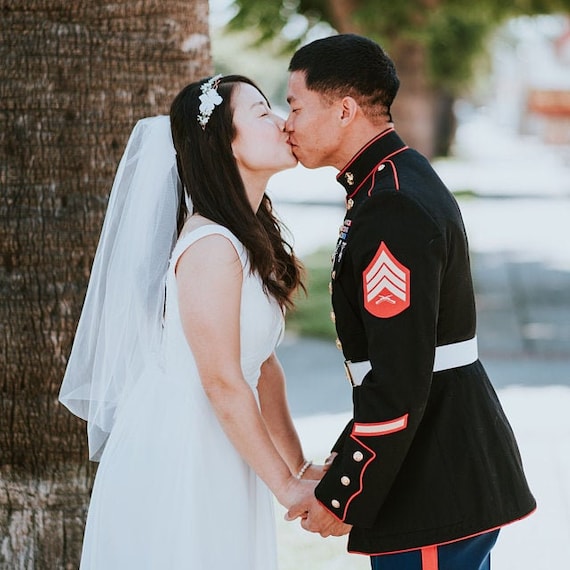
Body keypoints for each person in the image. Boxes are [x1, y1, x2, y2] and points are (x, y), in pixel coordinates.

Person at [284, 34, 536, 569]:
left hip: (430, 473)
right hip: (431, 458)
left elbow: (400, 375)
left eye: (295, 106)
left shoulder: (389, 202)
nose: (289, 123)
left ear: (345, 109)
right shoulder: (389, 179)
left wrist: (343, 493)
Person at [59, 74, 320, 569]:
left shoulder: (245, 237)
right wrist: (285, 487)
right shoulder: (211, 248)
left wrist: (299, 466)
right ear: (225, 143)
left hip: (227, 444)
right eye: (263, 113)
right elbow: (222, 381)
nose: (283, 123)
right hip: (182, 450)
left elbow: (263, 369)